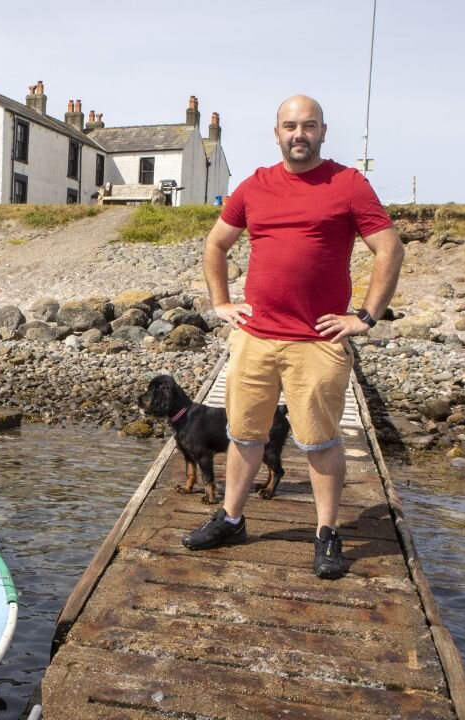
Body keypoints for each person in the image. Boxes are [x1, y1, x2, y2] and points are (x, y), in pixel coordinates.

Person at [182, 95, 404, 580]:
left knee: (320, 443)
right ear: (276, 133)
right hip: (255, 338)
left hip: (317, 342)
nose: (298, 134)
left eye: (308, 126)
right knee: (243, 435)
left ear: (323, 131)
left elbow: (389, 248)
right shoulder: (255, 185)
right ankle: (232, 519)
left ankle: (326, 534)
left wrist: (365, 316)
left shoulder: (347, 184)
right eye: (289, 126)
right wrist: (221, 302)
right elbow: (216, 244)